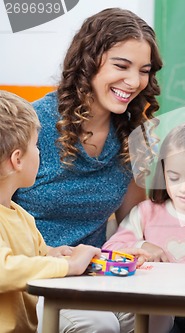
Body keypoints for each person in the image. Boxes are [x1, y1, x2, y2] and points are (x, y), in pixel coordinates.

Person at [12, 8, 162, 333]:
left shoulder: (133, 135)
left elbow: (132, 219)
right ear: (88, 61)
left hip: (94, 276)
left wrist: (142, 244)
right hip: (33, 278)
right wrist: (53, 258)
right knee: (98, 323)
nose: (134, 81)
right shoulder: (32, 126)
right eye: (121, 66)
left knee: (157, 314)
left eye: (144, 71)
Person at [104, 119, 185, 333]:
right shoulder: (146, 212)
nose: (184, 188)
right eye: (173, 177)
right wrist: (142, 245)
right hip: (154, 312)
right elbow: (109, 250)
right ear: (163, 173)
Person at [0, 90, 102, 333]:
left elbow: (33, 259)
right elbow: (4, 270)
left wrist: (57, 255)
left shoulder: (21, 216)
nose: (39, 152)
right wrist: (69, 267)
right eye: (35, 146)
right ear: (17, 159)